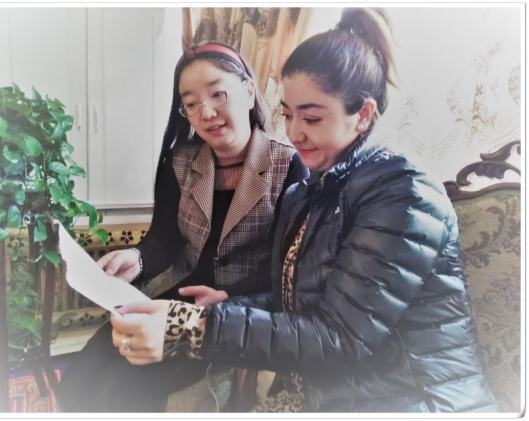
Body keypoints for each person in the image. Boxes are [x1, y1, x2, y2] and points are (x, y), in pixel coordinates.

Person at [105, 8, 498, 413]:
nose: (294, 133)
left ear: (362, 115)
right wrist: (221, 307)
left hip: (414, 401)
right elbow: (293, 302)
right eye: (288, 115)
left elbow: (341, 339)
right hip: (331, 393)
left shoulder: (402, 195)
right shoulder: (309, 192)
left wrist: (192, 327)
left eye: (311, 117)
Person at [58, 42, 308, 412]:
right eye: (190, 103)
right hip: (176, 299)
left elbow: (283, 268)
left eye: (218, 94)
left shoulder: (288, 166)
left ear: (248, 91)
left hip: (234, 313)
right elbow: (163, 241)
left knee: (120, 389)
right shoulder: (180, 162)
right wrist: (137, 258)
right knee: (80, 377)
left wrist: (229, 295)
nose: (206, 112)